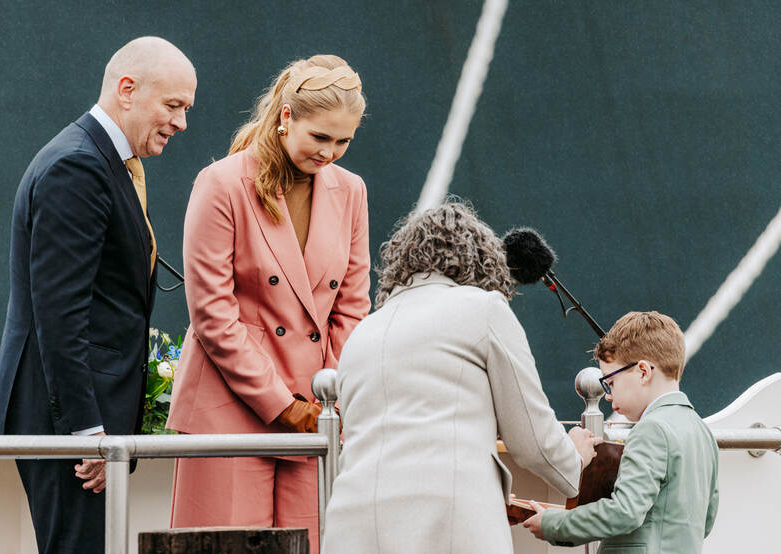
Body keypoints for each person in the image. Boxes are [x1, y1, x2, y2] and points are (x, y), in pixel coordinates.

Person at [0, 37, 196, 553]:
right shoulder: (78, 167)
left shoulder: (98, 160)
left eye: (186, 108)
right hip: (74, 432)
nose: (182, 123)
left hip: (86, 428)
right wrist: (87, 435)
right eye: (173, 106)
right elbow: (60, 315)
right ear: (127, 90)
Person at [166, 54, 370, 554]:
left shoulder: (352, 191)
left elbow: (353, 306)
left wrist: (330, 400)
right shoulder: (221, 183)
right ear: (284, 118)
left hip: (315, 412)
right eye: (320, 137)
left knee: (314, 545)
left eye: (343, 141)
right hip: (229, 411)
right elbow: (213, 315)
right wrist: (282, 406)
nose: (331, 153)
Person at [321, 201, 599, 554]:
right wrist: (575, 461)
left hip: (351, 525)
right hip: (448, 519)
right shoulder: (484, 310)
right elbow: (533, 440)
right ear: (482, 259)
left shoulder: (363, 333)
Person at [523, 311, 720, 553]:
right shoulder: (702, 432)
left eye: (611, 382)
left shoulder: (651, 429)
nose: (607, 395)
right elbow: (707, 519)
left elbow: (625, 512)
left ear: (643, 372)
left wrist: (553, 524)